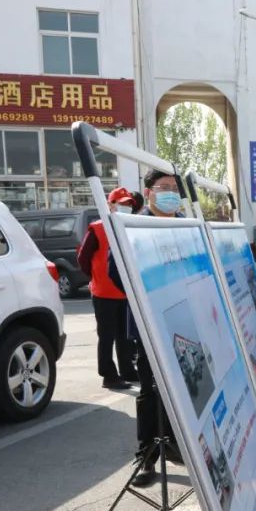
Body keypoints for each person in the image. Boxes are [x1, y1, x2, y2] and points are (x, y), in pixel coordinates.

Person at [115, 170, 187, 488]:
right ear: (149, 192)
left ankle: (178, 445)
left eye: (175, 188)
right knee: (151, 390)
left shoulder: (186, 224)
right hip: (149, 323)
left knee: (185, 388)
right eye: (164, 187)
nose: (171, 193)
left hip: (184, 319)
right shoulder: (131, 226)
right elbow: (115, 271)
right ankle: (147, 456)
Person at [78, 187, 139, 390]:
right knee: (106, 337)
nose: (125, 207)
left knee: (125, 336)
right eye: (121, 203)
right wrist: (96, 277)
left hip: (125, 292)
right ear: (110, 205)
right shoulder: (97, 228)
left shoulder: (128, 226)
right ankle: (109, 375)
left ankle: (127, 371)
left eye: (128, 204)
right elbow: (83, 258)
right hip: (104, 293)